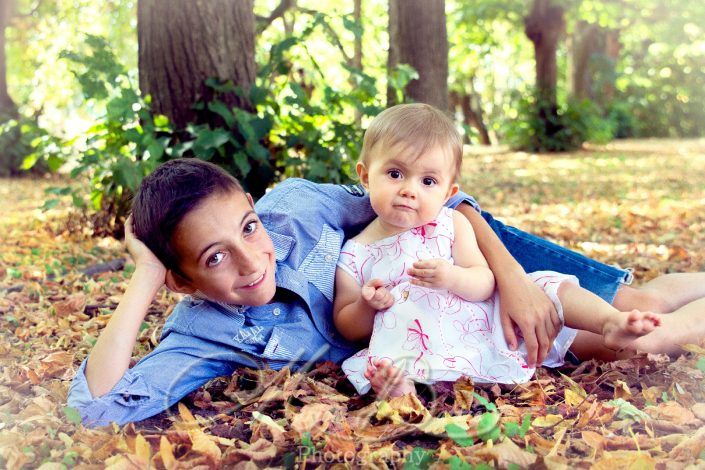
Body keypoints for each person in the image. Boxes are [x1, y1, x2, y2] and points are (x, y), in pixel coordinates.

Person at [68, 129, 705, 428]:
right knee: (636, 330)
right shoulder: (200, 334)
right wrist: (145, 275)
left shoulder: (300, 205)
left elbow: (427, 197)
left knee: (639, 305)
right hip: (448, 324)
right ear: (181, 282)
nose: (252, 259)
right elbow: (97, 407)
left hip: (467, 250)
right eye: (214, 258)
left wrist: (507, 276)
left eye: (249, 227)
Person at [333, 104, 664, 397]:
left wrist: (451, 276)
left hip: (493, 327)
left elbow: (484, 282)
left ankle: (609, 322)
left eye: (428, 182)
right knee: (391, 355)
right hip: (428, 346)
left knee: (549, 286)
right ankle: (403, 390)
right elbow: (346, 324)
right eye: (395, 174)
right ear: (365, 176)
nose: (409, 190)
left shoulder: (451, 224)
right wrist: (366, 304)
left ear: (450, 191)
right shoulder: (355, 254)